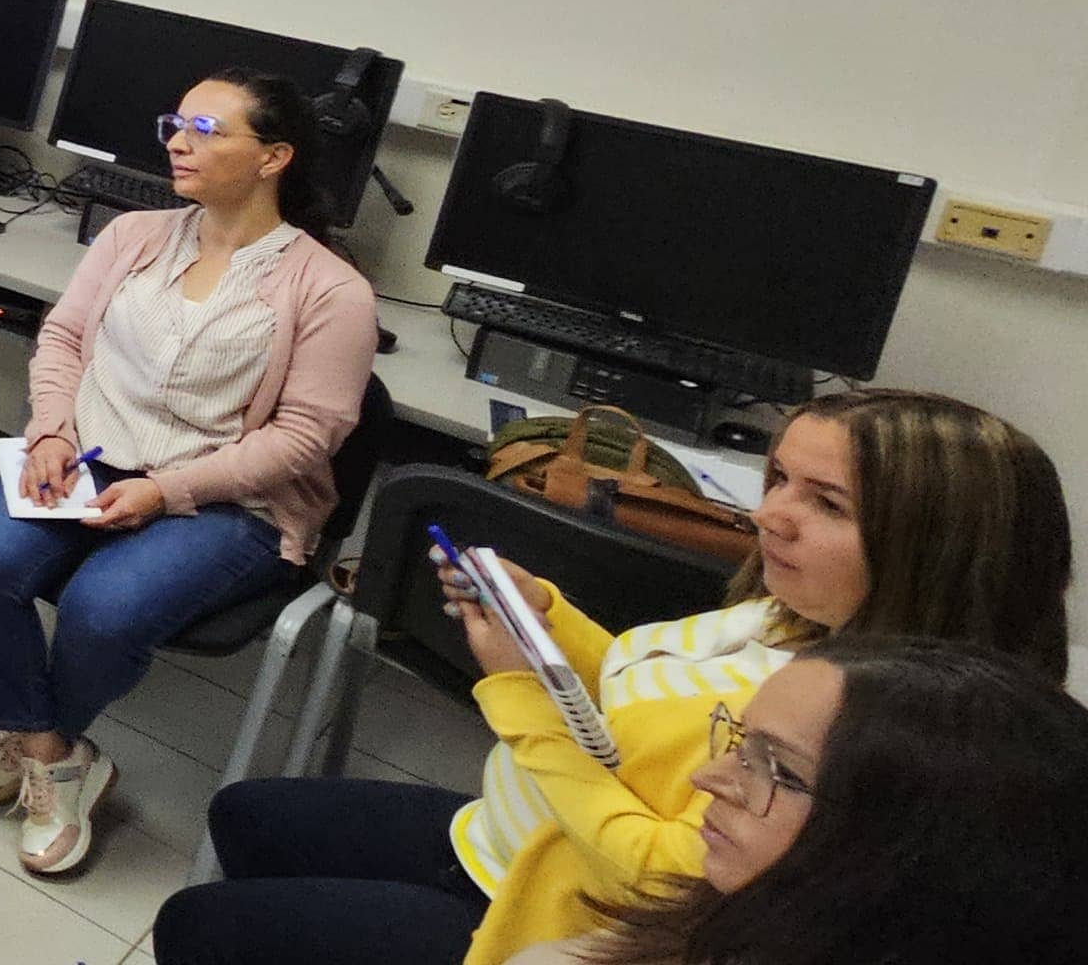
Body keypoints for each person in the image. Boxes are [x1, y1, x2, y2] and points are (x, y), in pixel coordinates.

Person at [154, 388, 1073, 965]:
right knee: (248, 814)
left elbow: (669, 871)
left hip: (559, 903)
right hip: (516, 836)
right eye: (780, 479)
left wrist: (517, 690)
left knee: (205, 927)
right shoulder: (784, 613)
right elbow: (644, 676)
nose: (772, 519)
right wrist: (547, 618)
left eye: (825, 504)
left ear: (939, 548)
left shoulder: (877, 729)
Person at [0, 69, 375, 877]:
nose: (178, 142)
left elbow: (304, 440)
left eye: (208, 131)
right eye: (175, 122)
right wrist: (49, 433)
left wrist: (167, 492)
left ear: (274, 157)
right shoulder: (134, 235)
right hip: (91, 458)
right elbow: (65, 340)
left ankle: (36, 738)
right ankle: (52, 748)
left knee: (103, 610)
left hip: (228, 500)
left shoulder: (331, 290)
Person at [516, 639, 1088, 965]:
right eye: (740, 743)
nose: (706, 778)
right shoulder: (729, 921)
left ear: (917, 845)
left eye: (778, 770)